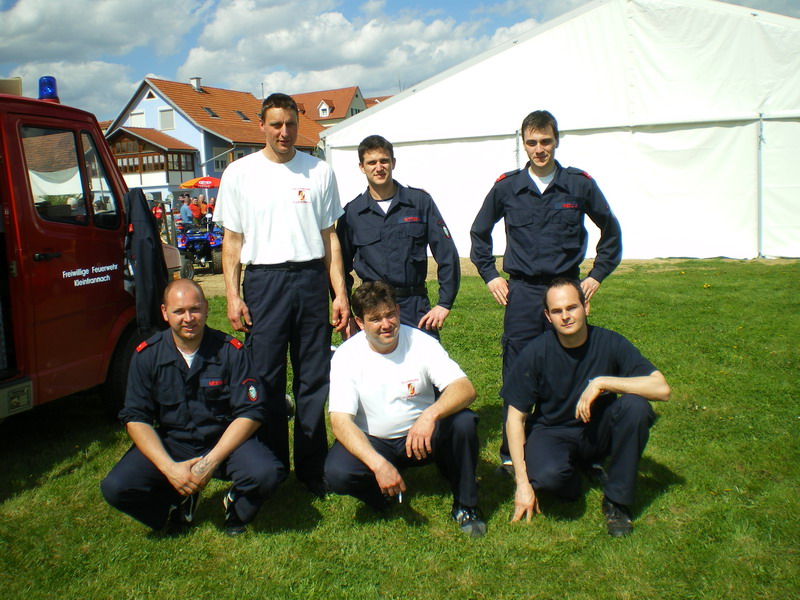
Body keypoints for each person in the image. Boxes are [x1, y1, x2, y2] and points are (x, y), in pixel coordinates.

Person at [469, 109, 622, 471]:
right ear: (523, 144)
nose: (539, 149)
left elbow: (610, 231)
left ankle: (583, 446)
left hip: (565, 288)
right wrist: (490, 275)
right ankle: (512, 452)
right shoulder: (507, 187)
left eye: (546, 141)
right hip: (522, 293)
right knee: (518, 368)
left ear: (557, 141)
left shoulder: (579, 185)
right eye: (532, 142)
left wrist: (596, 276)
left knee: (575, 364)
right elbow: (479, 233)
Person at [214, 92, 349, 497]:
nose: (284, 132)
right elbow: (232, 241)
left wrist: (340, 293)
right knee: (265, 378)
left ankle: (312, 468)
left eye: (290, 124)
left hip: (309, 281)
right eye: (275, 124)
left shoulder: (319, 171)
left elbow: (330, 238)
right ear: (262, 126)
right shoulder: (239, 173)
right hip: (264, 283)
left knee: (313, 378)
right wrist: (232, 295)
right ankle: (272, 463)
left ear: (297, 125)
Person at [100, 279, 286, 536]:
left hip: (225, 442)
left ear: (206, 308)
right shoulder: (147, 356)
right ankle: (176, 502)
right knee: (116, 487)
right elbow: (135, 418)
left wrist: (210, 463)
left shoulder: (230, 351)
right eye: (179, 311)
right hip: (175, 442)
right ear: (165, 313)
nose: (188, 318)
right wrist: (169, 468)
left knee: (266, 473)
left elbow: (251, 412)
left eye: (195, 309)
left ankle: (236, 508)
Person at [503, 278, 670, 537]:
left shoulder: (610, 342)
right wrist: (522, 482)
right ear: (548, 316)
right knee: (550, 478)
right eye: (557, 311)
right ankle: (575, 473)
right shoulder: (536, 352)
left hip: (597, 431)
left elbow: (661, 389)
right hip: (553, 430)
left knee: (635, 407)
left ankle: (616, 501)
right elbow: (515, 418)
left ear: (586, 307)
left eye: (572, 307)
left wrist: (603, 382)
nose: (565, 316)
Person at [324, 281, 486, 537]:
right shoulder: (346, 356)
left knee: (463, 423)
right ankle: (382, 496)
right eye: (375, 319)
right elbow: (340, 422)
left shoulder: (421, 342)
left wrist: (430, 415)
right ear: (360, 322)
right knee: (337, 473)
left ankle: (466, 505)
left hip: (421, 439)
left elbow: (465, 388)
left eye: (390, 314)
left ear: (398, 311)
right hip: (375, 441)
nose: (386, 324)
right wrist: (378, 464)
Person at [337, 135, 460, 339]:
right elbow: (340, 269)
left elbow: (447, 254)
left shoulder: (419, 202)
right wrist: (348, 312)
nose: (379, 167)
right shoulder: (352, 213)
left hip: (415, 308)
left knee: (425, 359)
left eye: (384, 161)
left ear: (393, 163)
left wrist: (444, 303)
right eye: (372, 162)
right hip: (373, 309)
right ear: (361, 167)